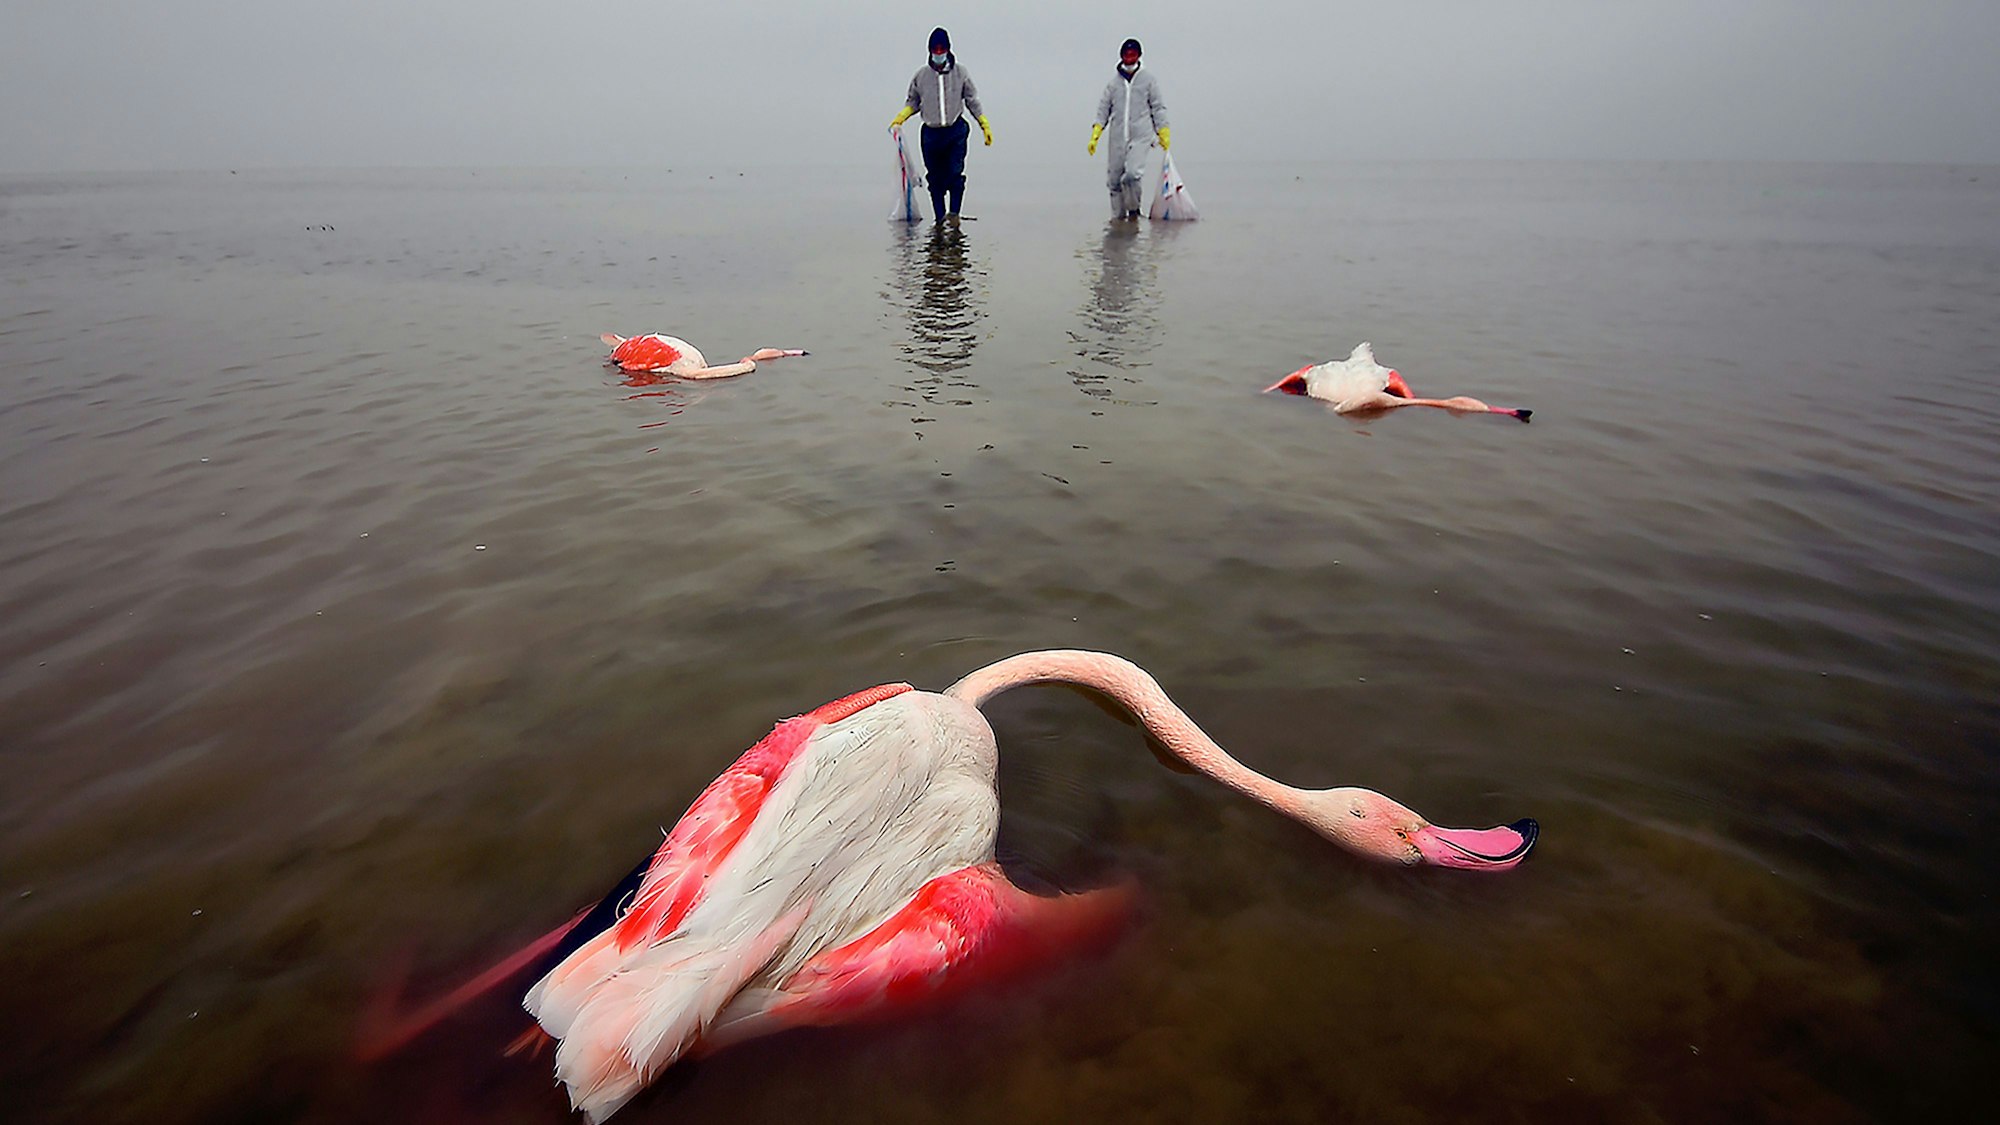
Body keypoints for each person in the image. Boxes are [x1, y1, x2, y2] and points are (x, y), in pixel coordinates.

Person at [890, 27, 992, 223]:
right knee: (935, 179)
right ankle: (939, 219)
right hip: (931, 133)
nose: (938, 53)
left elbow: (972, 100)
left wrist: (983, 123)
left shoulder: (960, 73)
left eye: (941, 49)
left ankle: (953, 215)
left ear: (948, 49)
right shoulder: (921, 76)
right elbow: (913, 101)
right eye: (934, 50)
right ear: (929, 51)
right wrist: (902, 116)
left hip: (955, 131)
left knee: (955, 174)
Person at [1089, 38, 1169, 219]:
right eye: (1126, 54)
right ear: (1122, 56)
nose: (1130, 58)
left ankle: (1134, 211)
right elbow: (1103, 109)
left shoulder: (1148, 81)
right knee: (1114, 181)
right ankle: (1118, 221)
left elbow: (1157, 107)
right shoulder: (1113, 84)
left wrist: (1162, 130)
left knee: (1132, 175)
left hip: (1140, 135)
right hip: (1117, 138)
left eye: (1133, 54)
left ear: (1139, 56)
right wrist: (1096, 132)